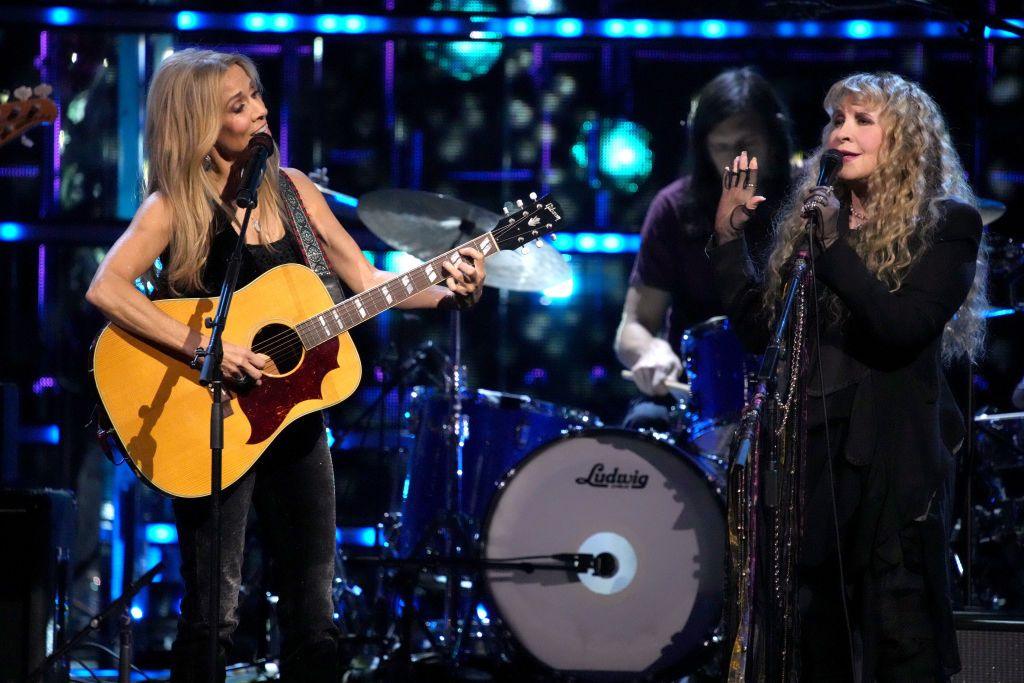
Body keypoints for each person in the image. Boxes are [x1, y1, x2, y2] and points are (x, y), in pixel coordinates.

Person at [85, 49, 486, 682]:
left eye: (257, 97)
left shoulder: (295, 191)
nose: (261, 111)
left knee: (314, 611)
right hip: (209, 420)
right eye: (238, 105)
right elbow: (106, 289)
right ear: (196, 124)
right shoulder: (174, 205)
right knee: (213, 614)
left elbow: (367, 279)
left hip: (295, 422)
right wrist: (205, 350)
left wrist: (444, 286)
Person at [711, 72, 987, 681]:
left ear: (907, 140)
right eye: (837, 120)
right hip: (810, 459)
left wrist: (835, 244)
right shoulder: (813, 225)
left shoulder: (947, 224)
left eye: (863, 120)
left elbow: (899, 327)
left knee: (896, 639)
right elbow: (761, 331)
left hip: (889, 467)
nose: (843, 133)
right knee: (813, 640)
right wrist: (730, 237)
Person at [614, 67, 792, 429]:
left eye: (746, 146)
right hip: (696, 400)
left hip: (791, 401)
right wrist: (650, 350)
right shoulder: (674, 207)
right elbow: (632, 326)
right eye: (721, 148)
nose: (735, 162)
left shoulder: (806, 200)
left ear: (773, 137)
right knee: (641, 427)